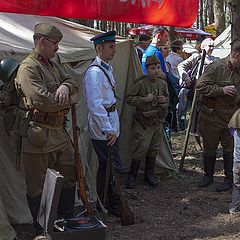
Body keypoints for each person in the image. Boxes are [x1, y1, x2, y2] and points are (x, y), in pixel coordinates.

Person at [14, 23, 79, 237]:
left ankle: (66, 221)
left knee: (69, 173)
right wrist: (69, 100)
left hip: (59, 132)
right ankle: (42, 229)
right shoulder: (28, 67)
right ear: (42, 42)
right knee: (37, 186)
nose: (57, 48)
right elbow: (41, 100)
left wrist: (65, 86)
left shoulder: (52, 64)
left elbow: (73, 79)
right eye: (55, 44)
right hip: (37, 134)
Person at [83, 30, 127, 217]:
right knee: (107, 165)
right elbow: (95, 105)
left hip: (110, 121)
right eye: (111, 47)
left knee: (109, 164)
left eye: (114, 46)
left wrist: (113, 127)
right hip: (103, 126)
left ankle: (109, 200)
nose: (114, 51)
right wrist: (108, 129)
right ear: (99, 48)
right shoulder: (94, 73)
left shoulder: (106, 69)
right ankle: (107, 201)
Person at [195, 39, 240, 191]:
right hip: (212, 117)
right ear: (236, 55)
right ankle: (208, 176)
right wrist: (222, 90)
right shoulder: (216, 67)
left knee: (229, 148)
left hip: (231, 117)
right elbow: (200, 86)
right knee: (210, 147)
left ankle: (228, 178)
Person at [125, 55, 169, 189]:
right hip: (144, 122)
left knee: (154, 149)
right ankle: (132, 175)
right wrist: (144, 99)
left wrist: (163, 100)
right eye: (152, 68)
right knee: (140, 148)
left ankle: (149, 174)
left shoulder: (162, 83)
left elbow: (168, 99)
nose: (156, 70)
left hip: (157, 121)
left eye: (158, 67)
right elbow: (129, 98)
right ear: (146, 69)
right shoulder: (140, 83)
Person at [177, 38, 219, 131]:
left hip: (210, 89)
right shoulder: (197, 57)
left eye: (213, 46)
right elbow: (181, 66)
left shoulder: (216, 59)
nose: (211, 48)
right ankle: (189, 128)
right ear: (203, 47)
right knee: (193, 109)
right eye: (210, 46)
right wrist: (186, 77)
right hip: (197, 88)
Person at [229, 109, 240, 214]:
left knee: (237, 186)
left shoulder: (234, 130)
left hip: (237, 162)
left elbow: (231, 129)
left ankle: (233, 208)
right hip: (238, 162)